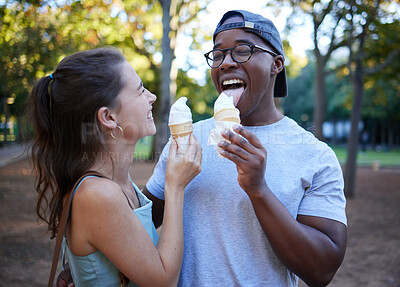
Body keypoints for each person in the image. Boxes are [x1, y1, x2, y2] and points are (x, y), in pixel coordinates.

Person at [144, 10, 347, 286]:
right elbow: (140, 225)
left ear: (276, 64)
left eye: (242, 51)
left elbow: (322, 270)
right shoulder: (187, 140)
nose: (226, 63)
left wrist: (258, 189)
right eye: (218, 55)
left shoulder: (315, 156)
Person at [28, 47, 201, 286]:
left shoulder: (118, 181)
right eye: (141, 91)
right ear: (109, 118)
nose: (152, 97)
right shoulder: (99, 194)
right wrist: (175, 187)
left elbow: (144, 250)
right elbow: (163, 281)